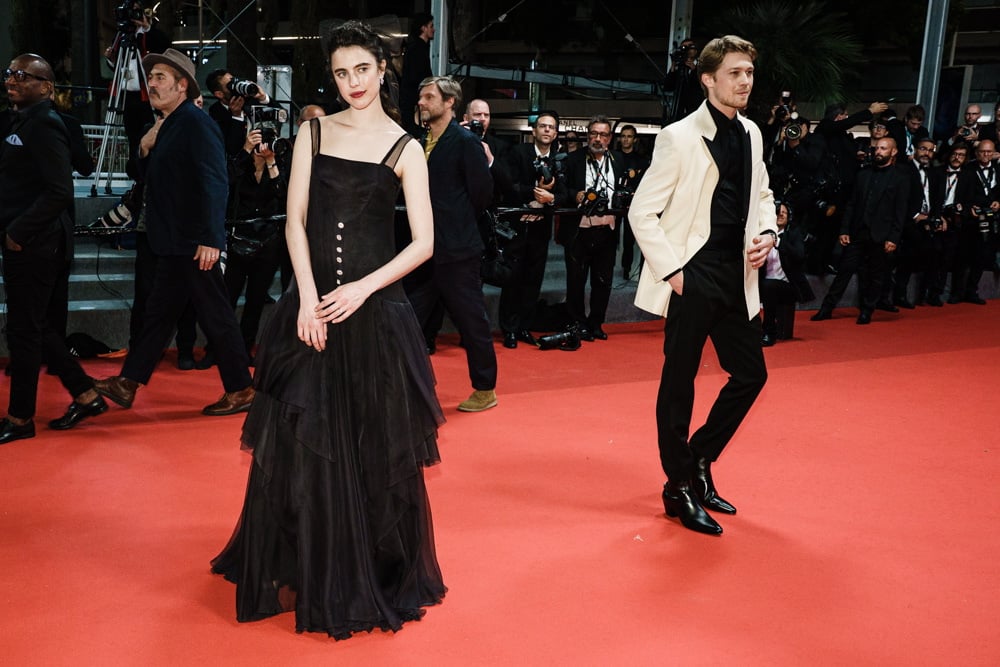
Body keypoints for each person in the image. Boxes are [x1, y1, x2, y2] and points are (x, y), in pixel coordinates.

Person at [211, 21, 445, 638]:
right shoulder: (313, 132)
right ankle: (312, 563)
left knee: (371, 447)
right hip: (311, 312)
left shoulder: (406, 146)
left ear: (381, 69)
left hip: (376, 317)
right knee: (304, 445)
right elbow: (294, 222)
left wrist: (362, 289)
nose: (352, 83)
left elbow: (423, 243)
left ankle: (366, 567)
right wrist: (309, 301)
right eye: (341, 73)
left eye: (362, 70)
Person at [628, 35, 778, 536]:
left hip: (738, 276)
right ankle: (678, 487)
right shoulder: (678, 136)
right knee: (679, 384)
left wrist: (768, 233)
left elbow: (761, 192)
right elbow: (641, 210)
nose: (744, 82)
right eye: (734, 73)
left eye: (749, 73)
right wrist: (674, 273)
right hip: (694, 275)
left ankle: (696, 461)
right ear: (708, 79)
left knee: (750, 375)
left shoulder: (753, 133)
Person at [94, 48, 255, 415]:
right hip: (173, 242)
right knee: (159, 316)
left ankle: (242, 389)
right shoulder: (169, 123)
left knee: (215, 315)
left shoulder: (195, 123)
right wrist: (147, 147)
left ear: (182, 85)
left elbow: (215, 182)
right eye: (150, 78)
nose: (152, 84)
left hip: (193, 242)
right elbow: (154, 178)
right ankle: (128, 382)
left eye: (161, 78)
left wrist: (212, 239)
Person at [0, 54, 108, 443]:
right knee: (38, 327)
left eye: (22, 75)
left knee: (25, 331)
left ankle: (20, 419)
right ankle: (86, 393)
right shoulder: (21, 120)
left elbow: (60, 190)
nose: (12, 79)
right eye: (10, 72)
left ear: (45, 87)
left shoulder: (45, 124)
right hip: (36, 241)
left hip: (35, 242)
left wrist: (17, 232)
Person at [406, 75, 498, 412]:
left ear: (449, 102)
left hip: (457, 250)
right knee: (409, 319)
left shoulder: (464, 142)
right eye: (421, 96)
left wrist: (454, 220)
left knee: (472, 321)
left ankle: (485, 389)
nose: (421, 102)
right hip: (423, 249)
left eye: (429, 96)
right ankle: (407, 386)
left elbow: (482, 194)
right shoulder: (422, 140)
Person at [811, 137, 910, 324]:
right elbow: (851, 205)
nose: (878, 151)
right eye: (876, 148)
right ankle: (827, 308)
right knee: (843, 272)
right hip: (858, 232)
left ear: (893, 152)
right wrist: (844, 230)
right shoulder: (863, 174)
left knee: (876, 275)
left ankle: (867, 310)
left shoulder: (900, 178)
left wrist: (894, 238)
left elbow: (901, 211)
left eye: (883, 148)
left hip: (881, 235)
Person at [497, 110, 568, 347]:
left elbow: (565, 194)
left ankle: (524, 327)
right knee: (513, 279)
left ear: (556, 133)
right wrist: (533, 196)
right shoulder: (518, 152)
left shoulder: (560, 159)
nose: (547, 130)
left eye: (551, 127)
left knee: (533, 280)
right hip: (518, 227)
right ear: (534, 131)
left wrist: (550, 199)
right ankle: (509, 329)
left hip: (540, 231)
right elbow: (508, 184)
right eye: (543, 126)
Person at [560, 114, 626, 341]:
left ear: (609, 138)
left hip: (607, 230)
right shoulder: (573, 159)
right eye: (594, 134)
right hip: (579, 230)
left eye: (603, 135)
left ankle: (596, 323)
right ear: (587, 136)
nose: (598, 139)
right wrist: (575, 195)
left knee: (603, 281)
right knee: (576, 281)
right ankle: (577, 323)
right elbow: (561, 190)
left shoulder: (618, 160)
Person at [759, 202, 814, 346]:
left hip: (788, 287)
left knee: (768, 286)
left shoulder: (794, 234)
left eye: (784, 212)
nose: (781, 214)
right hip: (763, 285)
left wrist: (777, 242)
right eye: (778, 211)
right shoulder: (761, 235)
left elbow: (799, 256)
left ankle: (769, 332)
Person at [617, 124, 650, 280]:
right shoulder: (613, 157)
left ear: (634, 139)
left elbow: (645, 182)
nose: (626, 139)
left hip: (634, 202)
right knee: (612, 235)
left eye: (629, 136)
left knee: (629, 239)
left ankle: (627, 268)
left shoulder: (641, 161)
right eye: (623, 136)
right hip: (614, 202)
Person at [399, 12, 434, 137]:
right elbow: (416, 77)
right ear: (423, 28)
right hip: (413, 100)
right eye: (431, 26)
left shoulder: (418, 48)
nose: (433, 29)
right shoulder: (417, 49)